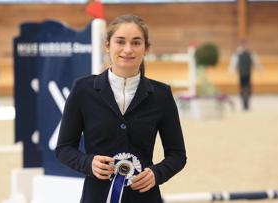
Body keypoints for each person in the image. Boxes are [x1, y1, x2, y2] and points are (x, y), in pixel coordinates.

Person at [56, 14, 186, 203]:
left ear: (146, 48)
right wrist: (88, 163)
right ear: (107, 45)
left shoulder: (162, 95)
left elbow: (177, 155)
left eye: (136, 43)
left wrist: (157, 174)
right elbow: (64, 148)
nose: (128, 49)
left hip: (145, 197)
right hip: (96, 196)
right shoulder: (82, 90)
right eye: (120, 42)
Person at [229, 39, 262, 111]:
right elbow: (233, 64)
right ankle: (243, 103)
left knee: (248, 88)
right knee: (242, 88)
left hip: (248, 73)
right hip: (241, 74)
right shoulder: (237, 54)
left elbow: (256, 63)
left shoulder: (251, 53)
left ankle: (247, 103)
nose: (244, 46)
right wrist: (231, 72)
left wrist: (259, 70)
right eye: (243, 44)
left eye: (245, 44)